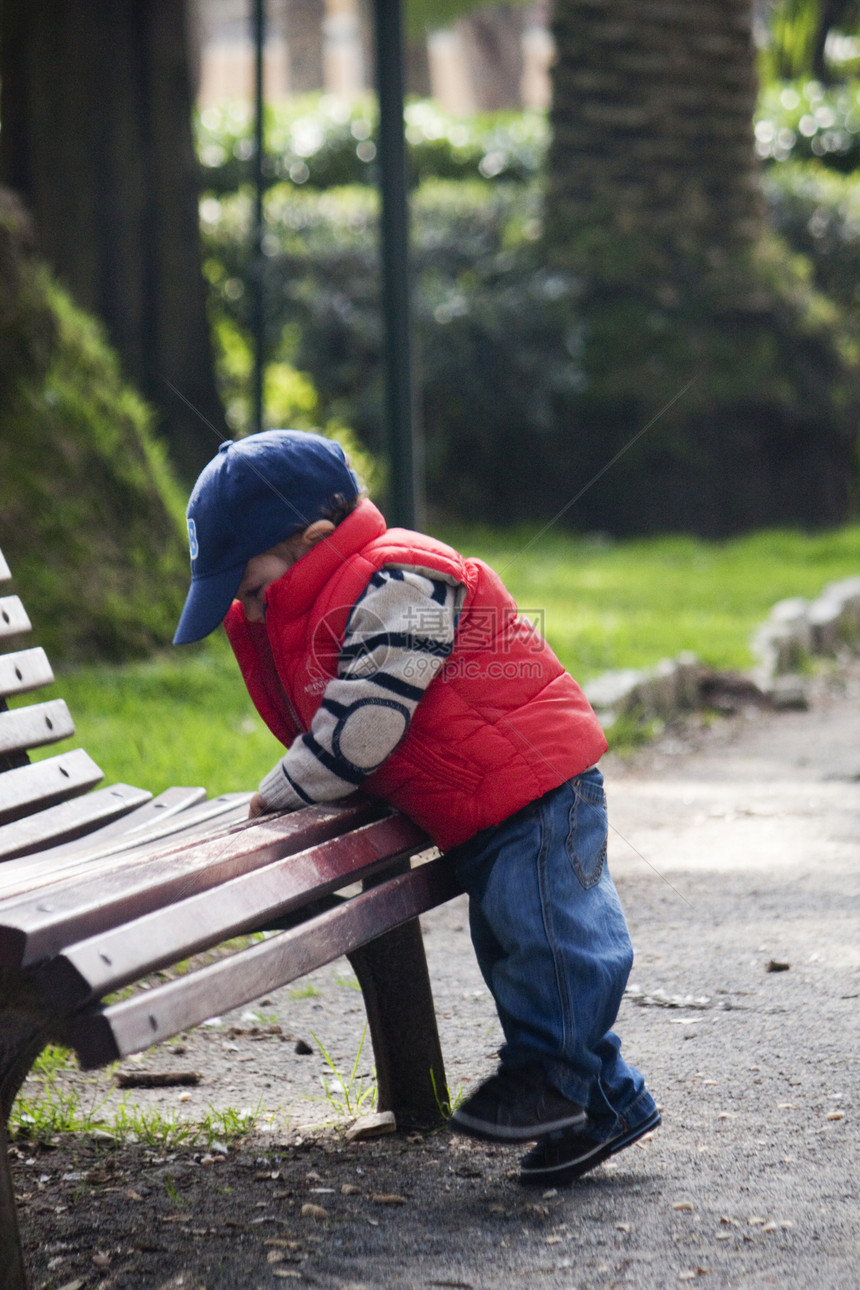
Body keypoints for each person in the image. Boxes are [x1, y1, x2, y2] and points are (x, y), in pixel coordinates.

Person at [174, 429, 660, 1185]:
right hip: (476, 808)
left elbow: (364, 723)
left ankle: (546, 1079)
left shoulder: (406, 576)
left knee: (554, 940)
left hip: (537, 793)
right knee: (510, 953)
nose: (248, 604)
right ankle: (606, 1104)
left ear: (315, 540)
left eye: (252, 584)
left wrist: (280, 795)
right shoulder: (311, 598)